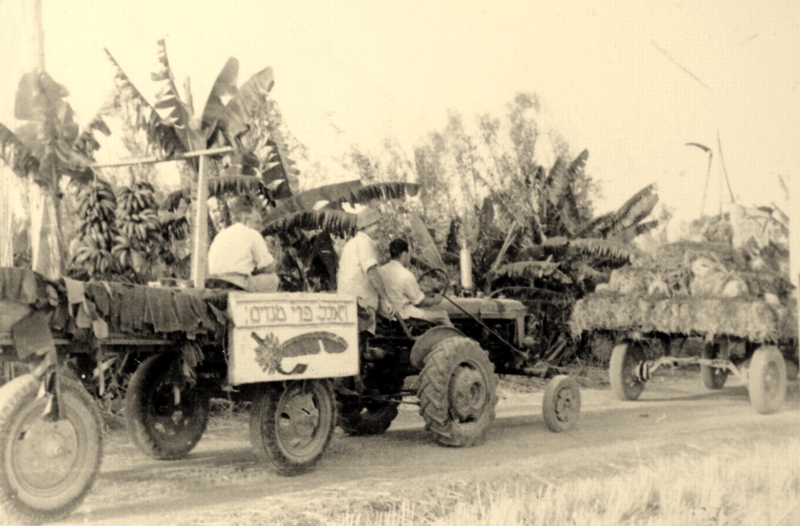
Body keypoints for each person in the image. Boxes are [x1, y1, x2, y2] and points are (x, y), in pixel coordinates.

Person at [336, 207, 396, 335]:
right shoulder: (364, 243)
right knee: (364, 340)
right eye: (377, 224)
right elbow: (372, 273)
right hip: (361, 304)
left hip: (349, 301)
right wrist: (386, 299)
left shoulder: (351, 243)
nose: (380, 227)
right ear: (366, 226)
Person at [208, 196, 279, 292]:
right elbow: (269, 266)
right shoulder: (252, 233)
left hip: (215, 283)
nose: (261, 227)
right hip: (236, 283)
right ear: (246, 221)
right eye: (257, 222)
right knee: (273, 279)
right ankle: (257, 306)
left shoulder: (221, 234)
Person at [378, 238, 452, 327]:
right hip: (407, 317)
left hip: (388, 316)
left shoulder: (380, 271)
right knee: (443, 315)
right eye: (409, 254)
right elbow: (420, 302)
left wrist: (427, 294)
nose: (410, 257)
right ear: (404, 254)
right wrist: (436, 300)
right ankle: (459, 340)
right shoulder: (406, 275)